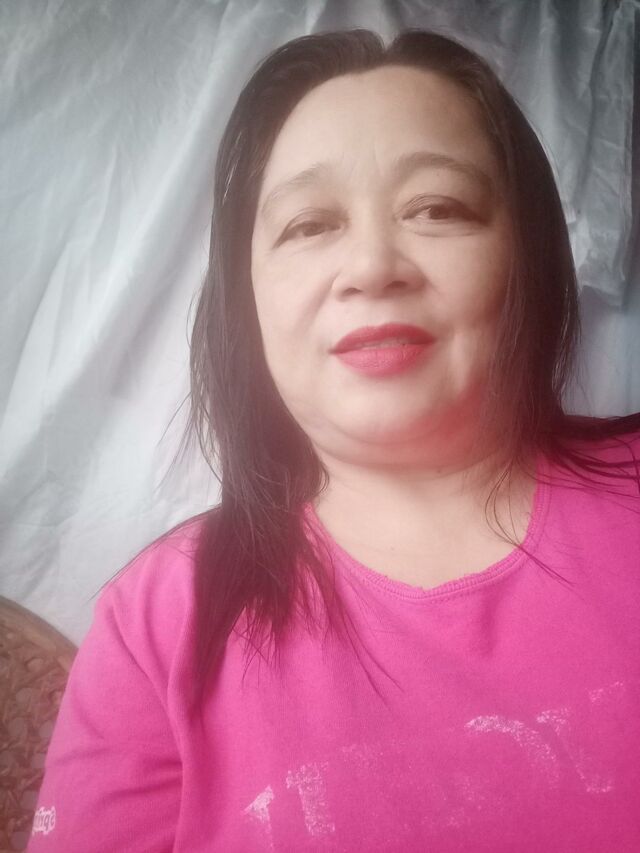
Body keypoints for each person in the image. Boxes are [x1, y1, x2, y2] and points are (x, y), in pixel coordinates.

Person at [28, 28, 640, 852]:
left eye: (437, 208)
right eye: (310, 225)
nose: (373, 266)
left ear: (527, 255)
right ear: (246, 300)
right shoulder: (155, 627)